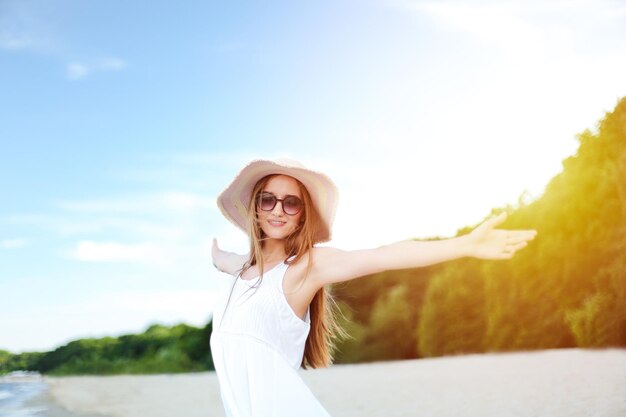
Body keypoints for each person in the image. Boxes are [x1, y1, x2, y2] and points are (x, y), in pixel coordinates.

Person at [210, 158, 537, 417]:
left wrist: (463, 245)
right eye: (268, 200)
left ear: (301, 217)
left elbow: (384, 256)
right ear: (256, 207)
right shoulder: (240, 269)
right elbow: (225, 259)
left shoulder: (304, 269)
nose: (278, 209)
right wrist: (215, 254)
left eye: (291, 203)